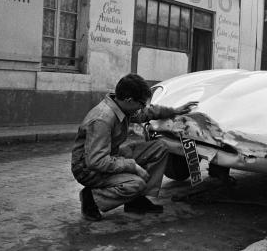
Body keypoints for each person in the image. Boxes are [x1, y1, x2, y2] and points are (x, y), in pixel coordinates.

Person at [71, 73, 197, 221]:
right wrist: (133, 166)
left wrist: (174, 111)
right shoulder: (102, 119)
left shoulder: (122, 106)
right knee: (135, 184)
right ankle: (91, 198)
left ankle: (137, 201)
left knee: (160, 147)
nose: (142, 108)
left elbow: (147, 113)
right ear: (129, 100)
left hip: (111, 156)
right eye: (141, 104)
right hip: (88, 169)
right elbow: (96, 161)